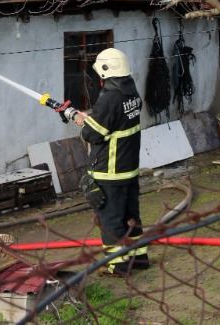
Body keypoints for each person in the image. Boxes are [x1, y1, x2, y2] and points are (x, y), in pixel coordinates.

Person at [74, 47, 149, 275]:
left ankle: (117, 265)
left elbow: (92, 134)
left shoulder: (109, 98)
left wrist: (84, 123)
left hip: (110, 170)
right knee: (131, 216)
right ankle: (139, 258)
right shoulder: (132, 94)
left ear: (106, 71)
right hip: (129, 170)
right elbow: (114, 122)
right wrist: (92, 118)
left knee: (111, 220)